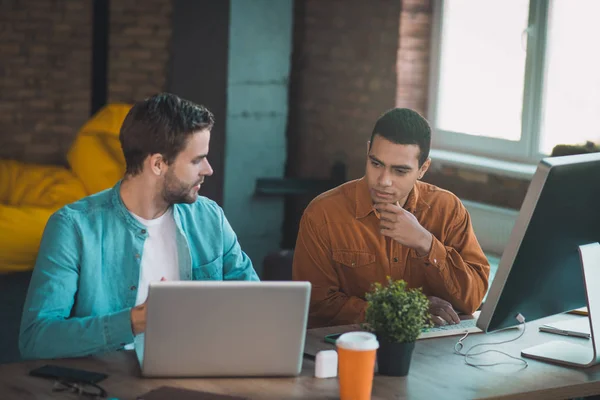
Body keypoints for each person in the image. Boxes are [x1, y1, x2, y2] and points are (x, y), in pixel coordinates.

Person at [19, 93, 259, 359]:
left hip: (202, 372)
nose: (208, 169)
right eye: (196, 160)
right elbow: (36, 339)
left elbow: (255, 304)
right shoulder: (72, 227)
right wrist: (135, 322)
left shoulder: (209, 218)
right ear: (157, 164)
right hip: (110, 386)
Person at [292, 108, 490, 328]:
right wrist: (402, 311)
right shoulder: (322, 214)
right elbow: (315, 304)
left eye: (400, 171)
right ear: (368, 151)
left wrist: (425, 242)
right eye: (376, 164)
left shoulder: (448, 209)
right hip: (350, 346)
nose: (384, 181)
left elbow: (472, 300)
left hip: (435, 347)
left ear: (423, 168)